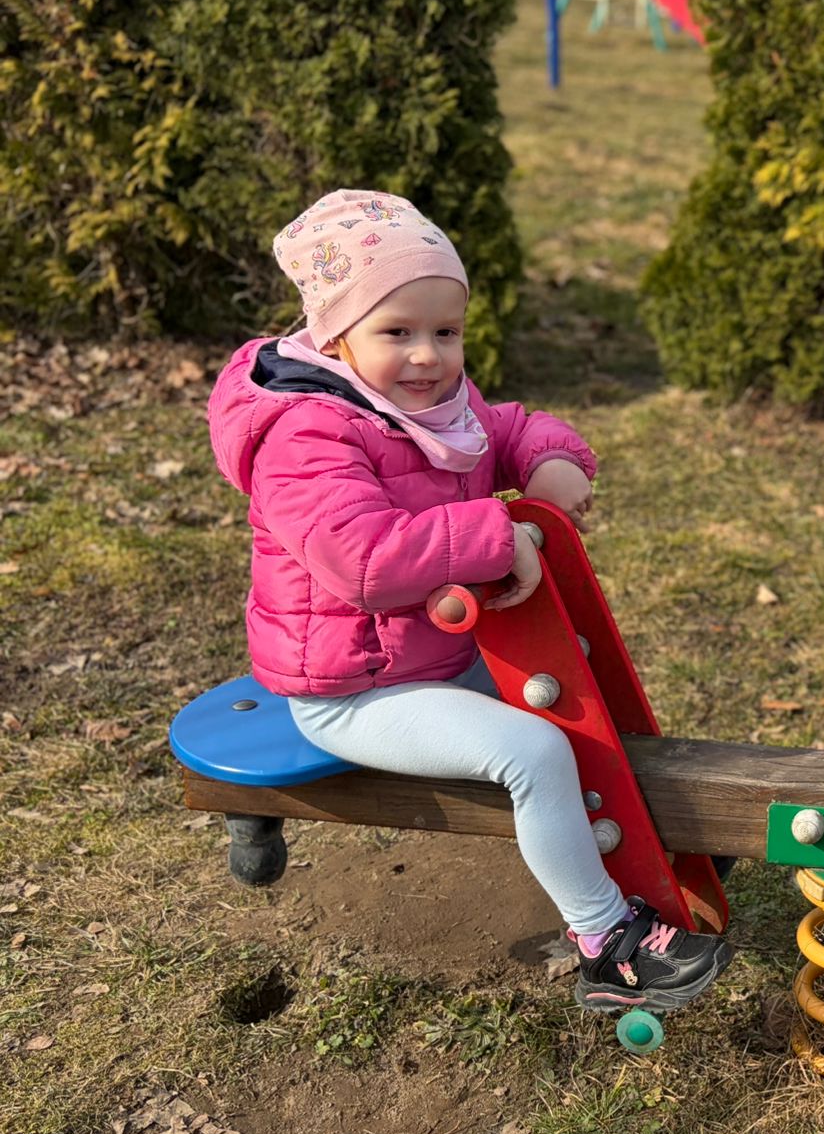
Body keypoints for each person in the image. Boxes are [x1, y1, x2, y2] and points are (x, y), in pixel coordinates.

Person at [207, 189, 730, 1015]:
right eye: (398, 333)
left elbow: (506, 427)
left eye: (445, 333)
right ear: (336, 334)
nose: (427, 356)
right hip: (355, 688)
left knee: (577, 697)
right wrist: (496, 536)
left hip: (442, 655)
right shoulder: (307, 434)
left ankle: (641, 844)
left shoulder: (429, 404)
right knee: (534, 751)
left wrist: (554, 460)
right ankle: (605, 942)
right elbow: (362, 559)